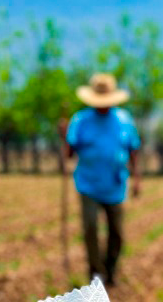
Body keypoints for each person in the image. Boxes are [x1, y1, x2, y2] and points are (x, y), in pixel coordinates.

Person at [61, 73, 141, 288]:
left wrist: (137, 179)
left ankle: (111, 271)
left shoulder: (124, 120)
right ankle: (96, 274)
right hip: (88, 184)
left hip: (115, 185)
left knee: (117, 233)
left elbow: (133, 149)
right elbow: (69, 153)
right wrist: (64, 136)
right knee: (90, 228)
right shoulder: (80, 120)